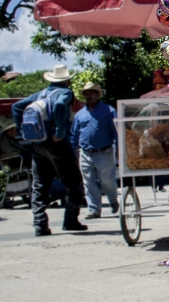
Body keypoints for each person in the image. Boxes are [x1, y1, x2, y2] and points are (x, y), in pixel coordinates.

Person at [13, 64, 87, 236]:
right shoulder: (65, 93)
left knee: (40, 185)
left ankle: (40, 224)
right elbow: (61, 105)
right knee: (74, 182)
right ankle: (70, 220)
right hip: (57, 144)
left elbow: (16, 107)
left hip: (38, 144)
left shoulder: (40, 94)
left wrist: (23, 132)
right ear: (67, 80)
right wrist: (60, 133)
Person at [70, 82, 119, 218]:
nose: (88, 96)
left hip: (104, 152)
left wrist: (118, 148)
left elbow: (116, 131)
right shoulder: (79, 115)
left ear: (98, 94)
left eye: (91, 93)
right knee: (88, 181)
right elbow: (74, 134)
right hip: (85, 152)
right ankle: (94, 209)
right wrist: (74, 151)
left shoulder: (108, 111)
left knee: (106, 180)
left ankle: (113, 200)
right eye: (86, 93)